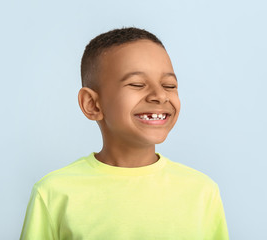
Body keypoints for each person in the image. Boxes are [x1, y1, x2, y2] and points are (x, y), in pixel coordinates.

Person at [20, 27, 229, 240]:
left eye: (169, 85)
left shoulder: (202, 191)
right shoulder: (53, 193)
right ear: (92, 104)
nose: (160, 95)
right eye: (137, 84)